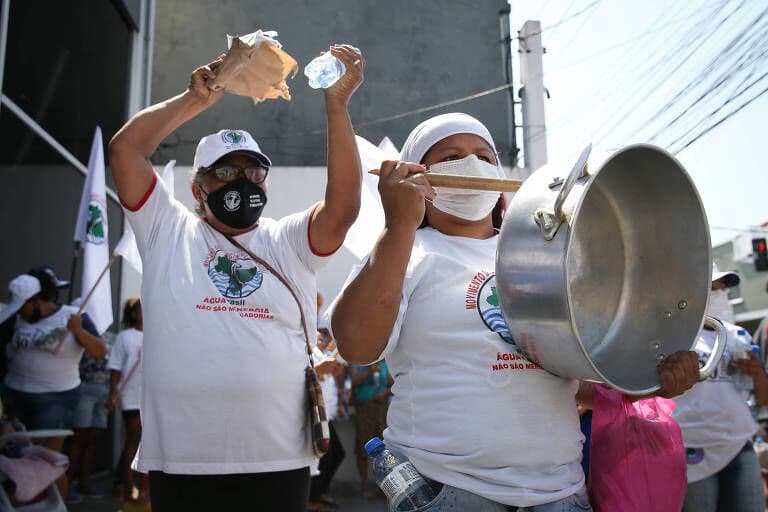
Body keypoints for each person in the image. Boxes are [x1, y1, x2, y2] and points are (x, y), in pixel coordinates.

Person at [328, 113, 700, 510]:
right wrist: (399, 226)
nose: (472, 165)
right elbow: (357, 345)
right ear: (416, 175)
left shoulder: (548, 250)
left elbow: (574, 374)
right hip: (448, 489)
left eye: (485, 157)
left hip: (560, 492)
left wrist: (648, 380)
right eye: (451, 156)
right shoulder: (406, 251)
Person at [107, 44, 364, 511]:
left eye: (254, 172)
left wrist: (336, 104)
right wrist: (195, 100)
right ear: (197, 188)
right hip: (183, 458)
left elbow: (342, 209)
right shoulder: (166, 229)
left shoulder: (287, 240)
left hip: (278, 456)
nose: (241, 182)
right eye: (225, 171)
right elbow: (126, 150)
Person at [0, 272, 106, 500]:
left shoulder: (74, 315)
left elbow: (100, 351)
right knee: (16, 459)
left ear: (36, 301)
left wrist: (78, 331)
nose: (19, 312)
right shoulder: (16, 319)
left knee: (48, 461)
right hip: (14, 397)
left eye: (23, 307)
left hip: (56, 400)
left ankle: (56, 505)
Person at [673, 265, 768, 512]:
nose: (720, 294)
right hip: (692, 448)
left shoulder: (738, 336)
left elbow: (763, 398)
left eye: (723, 288)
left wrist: (757, 373)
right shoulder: (675, 336)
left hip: (739, 445)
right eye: (712, 288)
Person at [106, 297, 149, 504]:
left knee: (149, 442)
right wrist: (112, 393)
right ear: (133, 313)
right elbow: (115, 367)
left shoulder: (159, 334)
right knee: (134, 439)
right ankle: (129, 485)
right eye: (141, 308)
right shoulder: (125, 337)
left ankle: (146, 488)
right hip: (130, 397)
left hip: (151, 398)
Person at [308, 328, 346, 511]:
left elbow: (329, 376)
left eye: (322, 339)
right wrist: (321, 368)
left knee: (335, 455)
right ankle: (312, 499)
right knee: (325, 457)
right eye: (318, 338)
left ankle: (319, 493)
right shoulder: (310, 352)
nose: (321, 340)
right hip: (315, 415)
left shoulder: (320, 354)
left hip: (325, 415)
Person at [349, 359, 391, 498]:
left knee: (385, 448)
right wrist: (369, 371)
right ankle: (364, 486)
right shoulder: (358, 363)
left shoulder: (385, 364)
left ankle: (386, 487)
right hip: (364, 409)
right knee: (363, 446)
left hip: (382, 409)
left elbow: (394, 384)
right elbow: (353, 383)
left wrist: (385, 393)